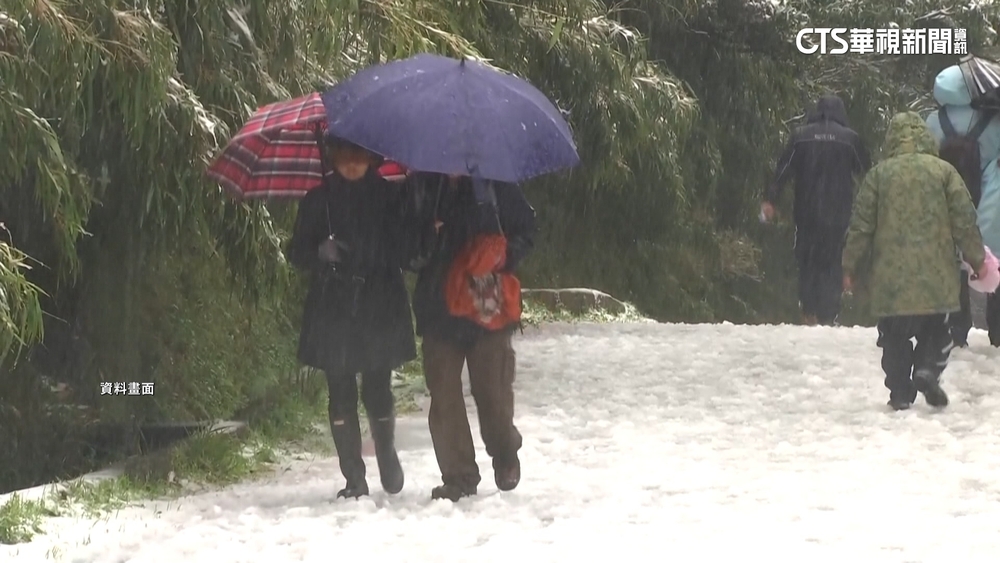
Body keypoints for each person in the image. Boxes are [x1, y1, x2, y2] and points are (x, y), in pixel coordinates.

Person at [287, 137, 417, 498]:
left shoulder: (392, 197)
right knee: (340, 391)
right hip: (334, 306)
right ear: (332, 157)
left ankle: (386, 453)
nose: (352, 165)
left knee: (377, 389)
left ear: (373, 157)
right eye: (344, 157)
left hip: (379, 304)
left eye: (360, 157)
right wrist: (319, 252)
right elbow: (295, 252)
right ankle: (353, 477)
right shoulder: (319, 200)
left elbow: (407, 248)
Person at [841, 112, 989, 411]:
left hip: (891, 279)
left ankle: (899, 391)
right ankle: (926, 371)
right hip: (936, 276)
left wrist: (849, 267)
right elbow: (964, 220)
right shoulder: (945, 172)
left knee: (893, 336)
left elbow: (861, 226)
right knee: (936, 331)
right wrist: (978, 259)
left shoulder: (879, 176)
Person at [403, 172, 536, 502]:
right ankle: (458, 476)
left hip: (486, 304)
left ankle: (505, 452)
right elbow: (403, 246)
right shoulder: (420, 186)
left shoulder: (495, 182)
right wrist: (425, 237)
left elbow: (527, 230)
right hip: (438, 306)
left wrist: (504, 255)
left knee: (492, 389)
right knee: (444, 395)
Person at [762, 94, 871, 326]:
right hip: (838, 213)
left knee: (807, 260)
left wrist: (770, 199)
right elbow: (868, 176)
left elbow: (782, 172)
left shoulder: (800, 137)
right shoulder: (850, 139)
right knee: (832, 261)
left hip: (807, 211)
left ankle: (808, 312)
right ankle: (828, 315)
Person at [924, 63, 1000, 347]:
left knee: (953, 263)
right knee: (994, 260)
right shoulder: (994, 121)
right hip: (987, 201)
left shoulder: (934, 119)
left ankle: (957, 330)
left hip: (947, 201)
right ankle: (998, 329)